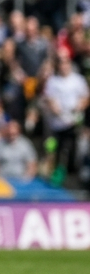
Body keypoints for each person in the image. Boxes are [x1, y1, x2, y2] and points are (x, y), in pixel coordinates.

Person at [42, 53, 89, 186]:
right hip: (57, 123)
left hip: (74, 123)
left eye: (66, 64)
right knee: (55, 150)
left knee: (73, 150)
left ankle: (72, 176)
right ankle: (55, 177)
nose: (64, 67)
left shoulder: (78, 80)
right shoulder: (53, 81)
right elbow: (50, 99)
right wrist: (56, 109)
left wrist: (78, 108)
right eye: (61, 64)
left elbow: (85, 97)